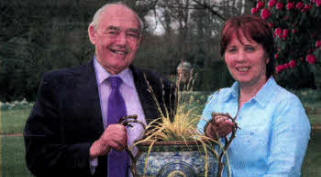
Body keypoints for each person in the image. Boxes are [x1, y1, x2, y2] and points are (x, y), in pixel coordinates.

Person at [24, 2, 175, 177]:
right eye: (113, 32)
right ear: (93, 34)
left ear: (139, 42)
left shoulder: (161, 88)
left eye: (131, 34)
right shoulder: (58, 86)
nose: (122, 42)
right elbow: (37, 158)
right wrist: (94, 149)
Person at [197, 15, 311, 177]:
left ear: (267, 55)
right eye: (232, 50)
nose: (241, 58)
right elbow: (193, 158)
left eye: (250, 48)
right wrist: (210, 134)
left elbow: (283, 172)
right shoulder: (217, 99)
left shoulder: (287, 107)